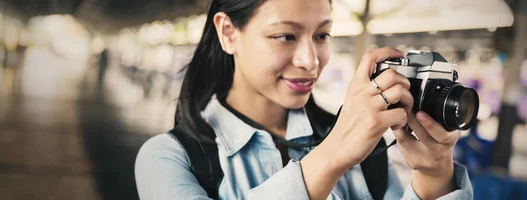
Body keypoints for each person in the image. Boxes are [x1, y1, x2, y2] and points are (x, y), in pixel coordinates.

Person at [135, 0, 473, 199]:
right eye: (285, 36)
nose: (311, 61)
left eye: (322, 35)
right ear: (228, 33)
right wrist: (332, 154)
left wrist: (432, 174)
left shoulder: (367, 151)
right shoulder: (169, 158)